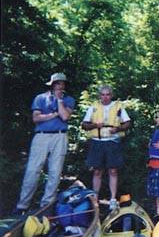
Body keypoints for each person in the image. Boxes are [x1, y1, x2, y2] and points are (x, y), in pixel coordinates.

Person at [13, 73, 75, 214]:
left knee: (55, 171)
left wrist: (59, 101)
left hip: (59, 136)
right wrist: (53, 115)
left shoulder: (68, 99)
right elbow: (36, 118)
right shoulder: (40, 98)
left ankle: (46, 204)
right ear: (52, 84)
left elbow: (65, 116)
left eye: (62, 83)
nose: (61, 86)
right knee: (33, 170)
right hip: (41, 137)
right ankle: (22, 204)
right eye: (58, 83)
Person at [82, 85, 132, 210]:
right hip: (97, 141)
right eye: (103, 95)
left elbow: (127, 123)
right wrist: (95, 125)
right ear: (99, 96)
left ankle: (113, 199)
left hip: (112, 142)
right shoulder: (94, 106)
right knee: (97, 170)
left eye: (107, 94)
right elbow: (85, 124)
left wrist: (117, 128)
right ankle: (95, 198)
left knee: (113, 170)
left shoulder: (118, 106)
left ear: (111, 95)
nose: (105, 97)